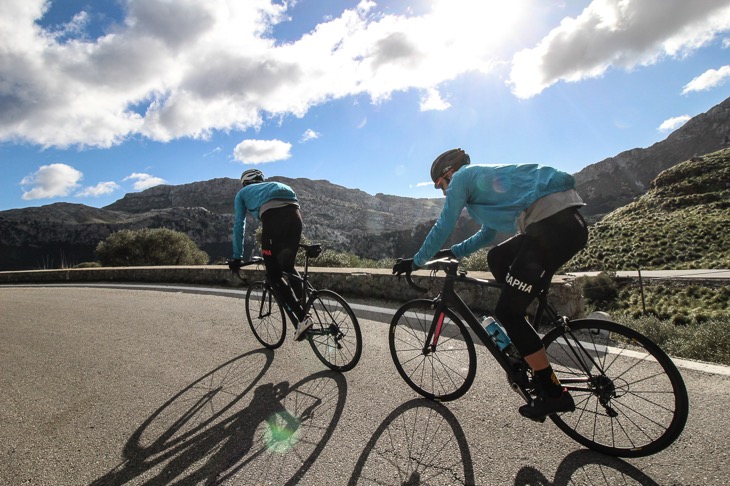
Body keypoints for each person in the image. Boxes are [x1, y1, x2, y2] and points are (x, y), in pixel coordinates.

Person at [392, 148, 588, 420]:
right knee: (497, 257)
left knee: (508, 312)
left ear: (449, 173)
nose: (443, 191)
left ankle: (554, 394)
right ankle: (523, 335)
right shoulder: (481, 190)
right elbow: (487, 237)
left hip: (551, 226)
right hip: (562, 224)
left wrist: (416, 261)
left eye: (440, 184)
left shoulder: (463, 178)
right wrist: (446, 254)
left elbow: (444, 225)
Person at [228, 169, 313, 341]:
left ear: (245, 182)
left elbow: (239, 226)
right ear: (260, 179)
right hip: (296, 217)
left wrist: (237, 257)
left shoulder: (242, 193)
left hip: (273, 220)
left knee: (274, 274)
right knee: (287, 266)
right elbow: (288, 211)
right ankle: (307, 302)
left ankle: (302, 319)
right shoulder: (276, 185)